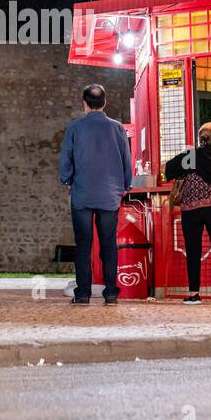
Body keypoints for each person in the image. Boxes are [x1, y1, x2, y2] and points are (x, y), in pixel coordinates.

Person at [59, 84, 132, 306]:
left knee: (83, 245)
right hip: (110, 196)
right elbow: (126, 161)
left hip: (82, 194)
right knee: (109, 244)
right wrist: (125, 186)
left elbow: (66, 160)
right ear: (104, 103)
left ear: (84, 103)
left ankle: (82, 294)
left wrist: (68, 180)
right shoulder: (118, 128)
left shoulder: (74, 128)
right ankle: (110, 294)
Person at [164, 122, 211, 304]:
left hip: (192, 209)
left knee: (193, 250)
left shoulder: (191, 156)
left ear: (201, 138)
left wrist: (186, 157)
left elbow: (170, 169)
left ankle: (194, 294)